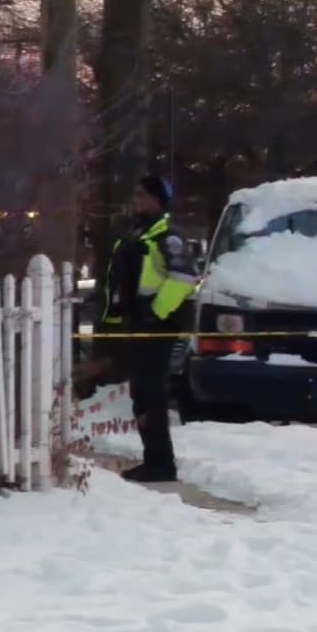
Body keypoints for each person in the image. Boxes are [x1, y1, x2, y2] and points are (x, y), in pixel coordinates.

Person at [100, 175, 197, 482]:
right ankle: (153, 459)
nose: (136, 200)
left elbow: (183, 279)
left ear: (157, 200)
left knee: (151, 393)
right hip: (139, 324)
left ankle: (161, 464)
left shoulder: (167, 237)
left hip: (158, 326)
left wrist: (155, 312)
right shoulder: (138, 234)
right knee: (142, 393)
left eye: (142, 195)